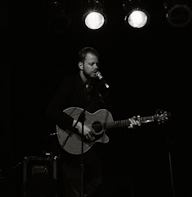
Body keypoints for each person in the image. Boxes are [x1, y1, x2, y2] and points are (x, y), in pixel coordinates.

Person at [46, 46, 138, 197]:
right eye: (91, 64)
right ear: (81, 66)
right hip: (71, 148)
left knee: (96, 189)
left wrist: (127, 124)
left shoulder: (99, 89)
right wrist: (78, 126)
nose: (96, 67)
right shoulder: (70, 83)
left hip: (92, 151)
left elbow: (106, 121)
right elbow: (51, 111)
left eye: (97, 64)